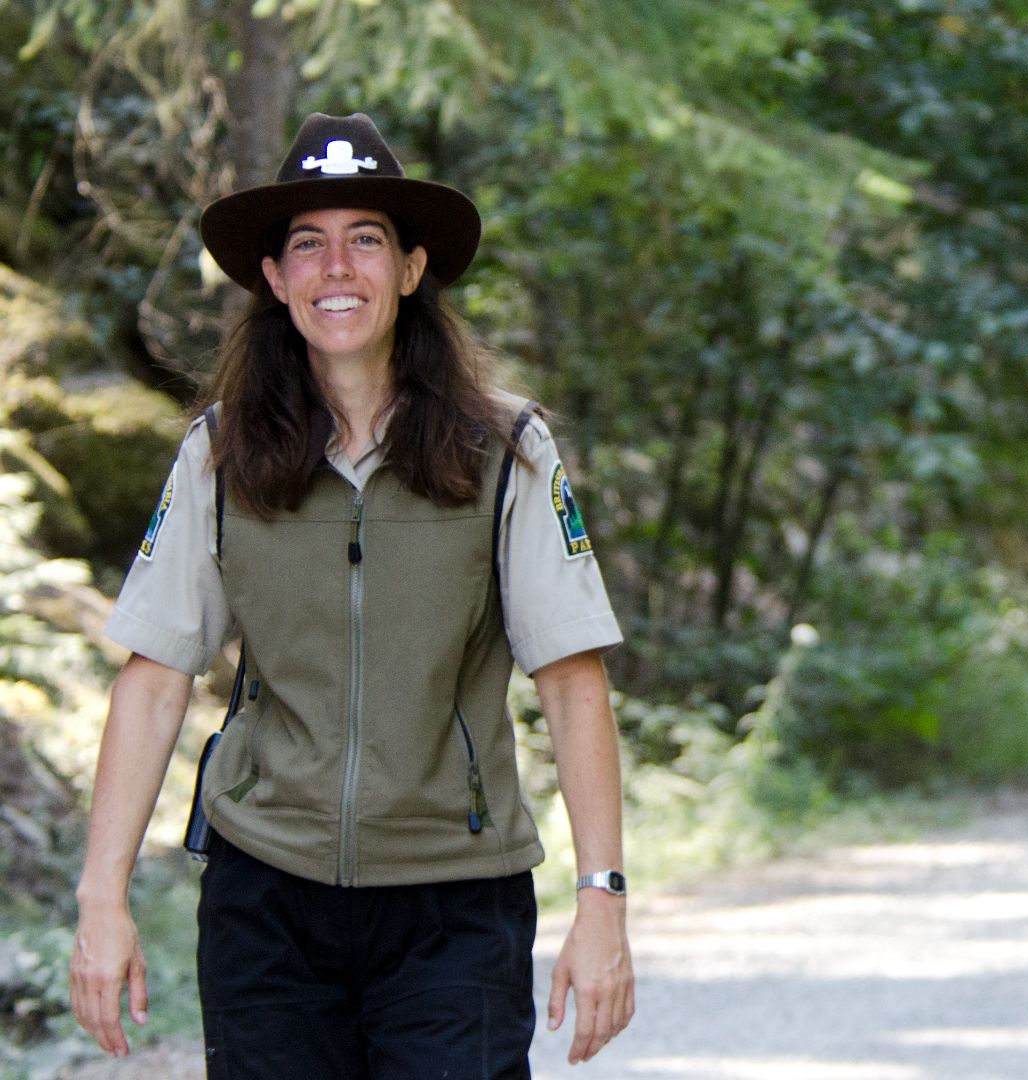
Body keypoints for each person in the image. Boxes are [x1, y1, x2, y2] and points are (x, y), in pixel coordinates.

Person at [68, 112, 635, 1076]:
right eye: (308, 244)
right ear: (274, 277)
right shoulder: (219, 454)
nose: (337, 268)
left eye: (365, 239)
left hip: (454, 903)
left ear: (411, 269)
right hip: (266, 901)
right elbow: (156, 676)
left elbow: (572, 679)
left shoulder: (505, 452)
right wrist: (101, 899)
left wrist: (602, 902)